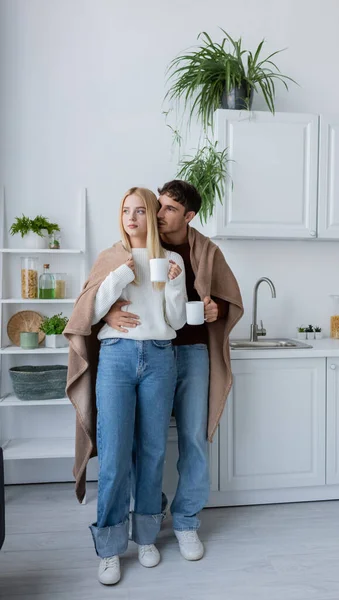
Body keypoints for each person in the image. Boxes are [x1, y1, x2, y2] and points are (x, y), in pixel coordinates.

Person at [103, 180, 244, 561]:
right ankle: (149, 510)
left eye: (168, 209)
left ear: (189, 216)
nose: (159, 214)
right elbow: (101, 294)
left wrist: (219, 311)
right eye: (158, 206)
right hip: (148, 351)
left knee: (193, 439)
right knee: (138, 443)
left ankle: (185, 521)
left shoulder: (205, 251)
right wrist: (110, 312)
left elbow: (229, 298)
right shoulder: (132, 249)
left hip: (193, 352)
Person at [65, 187, 187, 585]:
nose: (131, 217)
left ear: (152, 216)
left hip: (159, 356)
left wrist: (172, 282)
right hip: (116, 357)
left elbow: (177, 321)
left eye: (139, 211)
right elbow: (91, 310)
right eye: (124, 210)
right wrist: (120, 279)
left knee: (152, 451)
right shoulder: (110, 258)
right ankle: (110, 548)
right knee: (115, 453)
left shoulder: (170, 261)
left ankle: (147, 536)